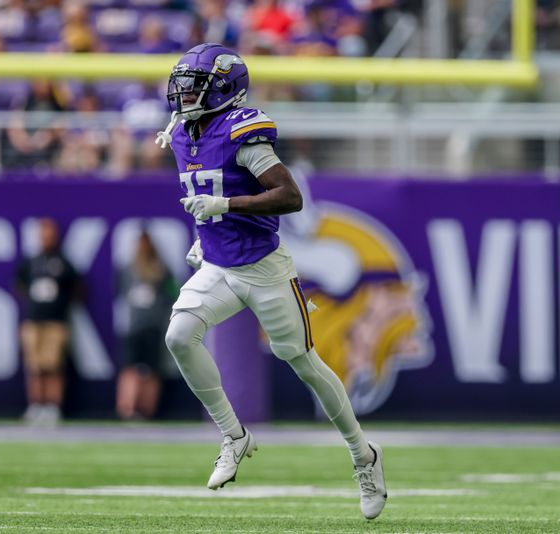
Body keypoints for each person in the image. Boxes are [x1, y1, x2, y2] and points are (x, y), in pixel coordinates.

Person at [155, 43, 387, 520]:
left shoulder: (245, 132)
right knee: (179, 336)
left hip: (264, 269)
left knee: (302, 362)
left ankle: (363, 455)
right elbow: (202, 190)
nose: (183, 93)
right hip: (219, 266)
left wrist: (228, 208)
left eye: (194, 84)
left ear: (224, 88)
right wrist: (206, 234)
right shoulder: (182, 133)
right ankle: (234, 435)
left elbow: (289, 196)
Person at [15, 218, 80, 426]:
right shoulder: (32, 261)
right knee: (34, 367)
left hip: (55, 321)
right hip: (34, 320)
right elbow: (19, 283)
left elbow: (76, 287)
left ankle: (52, 406)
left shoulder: (62, 261)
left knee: (53, 366)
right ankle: (36, 405)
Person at [115, 230, 178, 420]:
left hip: (154, 326)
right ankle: (127, 408)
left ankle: (147, 410)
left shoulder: (162, 269)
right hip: (134, 327)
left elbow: (173, 293)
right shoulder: (128, 269)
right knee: (130, 367)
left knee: (152, 369)